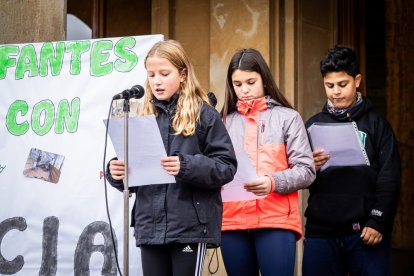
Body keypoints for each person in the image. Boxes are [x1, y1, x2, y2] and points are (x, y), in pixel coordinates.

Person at [105, 40, 237, 276]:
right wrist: (116, 172)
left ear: (183, 74)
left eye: (164, 73)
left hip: (189, 226)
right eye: (151, 74)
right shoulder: (141, 115)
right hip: (150, 226)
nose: (156, 80)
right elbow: (134, 170)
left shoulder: (203, 114)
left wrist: (185, 165)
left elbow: (226, 166)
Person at [302, 45, 401, 276]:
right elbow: (298, 176)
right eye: (329, 85)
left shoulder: (378, 125)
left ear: (357, 80)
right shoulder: (312, 124)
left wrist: (379, 221)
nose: (336, 91)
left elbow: (390, 177)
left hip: (365, 230)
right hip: (320, 230)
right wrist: (310, 167)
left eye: (342, 84)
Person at [220, 48, 316, 276]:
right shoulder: (222, 121)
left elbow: (307, 170)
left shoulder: (288, 117)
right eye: (237, 83)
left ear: (264, 78)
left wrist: (272, 182)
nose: (244, 90)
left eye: (251, 82)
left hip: (276, 219)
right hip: (232, 220)